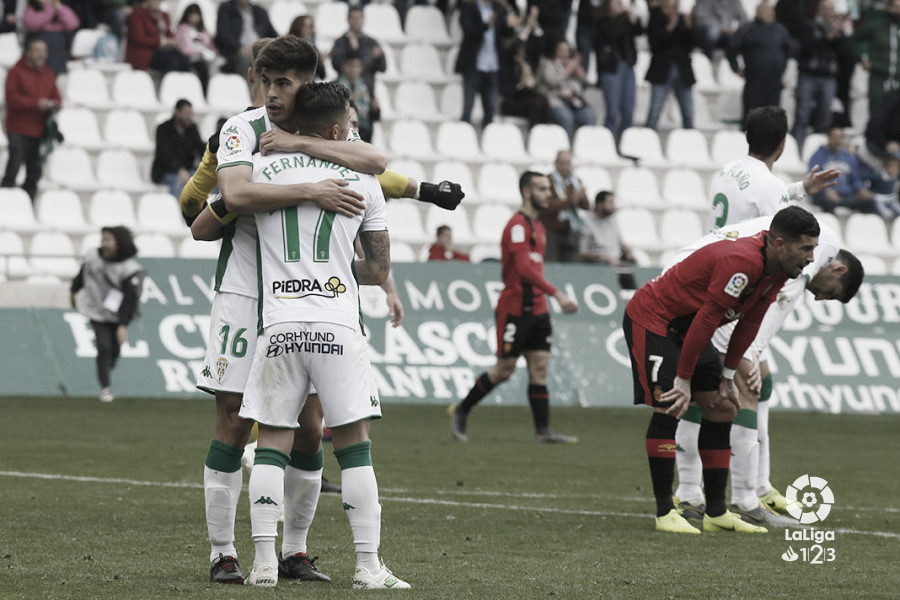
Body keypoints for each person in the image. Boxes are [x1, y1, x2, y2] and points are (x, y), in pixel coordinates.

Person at [191, 35, 385, 586]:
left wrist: (316, 163)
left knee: (309, 425)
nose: (272, 94)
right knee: (234, 418)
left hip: (308, 296)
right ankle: (223, 551)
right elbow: (236, 194)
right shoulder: (241, 128)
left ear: (308, 83)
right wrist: (313, 192)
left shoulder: (330, 128)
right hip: (245, 290)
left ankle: (294, 551)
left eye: (284, 83)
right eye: (265, 81)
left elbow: (373, 161)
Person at [238, 81, 410, 590]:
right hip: (337, 322)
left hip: (281, 322)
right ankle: (367, 566)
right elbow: (378, 270)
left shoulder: (261, 171)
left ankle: (265, 564)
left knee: (271, 442)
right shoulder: (364, 180)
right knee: (354, 446)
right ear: (337, 130)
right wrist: (336, 268)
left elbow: (213, 212)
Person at [624, 205, 820, 534]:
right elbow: (708, 318)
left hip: (687, 330)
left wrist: (729, 375)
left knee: (723, 405)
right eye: (806, 248)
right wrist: (684, 379)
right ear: (780, 244)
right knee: (670, 404)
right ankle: (664, 512)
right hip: (655, 320)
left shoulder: (779, 270)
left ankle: (716, 512)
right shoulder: (741, 262)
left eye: (813, 249)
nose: (812, 258)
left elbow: (751, 320)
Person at [671, 215, 863, 529]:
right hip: (708, 285)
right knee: (744, 387)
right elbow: (777, 301)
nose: (820, 297)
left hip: (703, 274)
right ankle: (746, 501)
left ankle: (697, 493)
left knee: (742, 382)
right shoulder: (817, 252)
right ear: (838, 269)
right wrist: (746, 356)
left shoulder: (804, 237)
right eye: (831, 293)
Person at [450, 171, 579, 444]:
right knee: (504, 370)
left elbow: (534, 267)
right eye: (543, 189)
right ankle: (463, 409)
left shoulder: (540, 227)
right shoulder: (517, 226)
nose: (548, 194)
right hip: (515, 309)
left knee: (540, 367)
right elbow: (522, 269)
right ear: (527, 192)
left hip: (539, 310)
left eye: (548, 189)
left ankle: (543, 430)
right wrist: (557, 293)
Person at [708, 105, 839, 231]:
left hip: (711, 249)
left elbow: (755, 193)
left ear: (747, 136)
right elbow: (778, 244)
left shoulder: (727, 169)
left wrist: (801, 188)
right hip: (737, 254)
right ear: (783, 143)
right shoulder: (771, 186)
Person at [70, 226, 144, 403]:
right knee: (103, 346)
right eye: (103, 239)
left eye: (108, 240)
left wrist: (123, 325)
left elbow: (130, 299)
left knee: (114, 348)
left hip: (117, 314)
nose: (104, 244)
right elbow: (82, 275)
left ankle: (112, 360)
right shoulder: (92, 256)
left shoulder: (129, 268)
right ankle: (105, 388)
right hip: (96, 309)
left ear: (120, 243)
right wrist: (73, 290)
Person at [1, 38, 60, 201]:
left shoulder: (49, 73)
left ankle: (26, 203)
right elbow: (12, 99)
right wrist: (37, 104)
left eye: (43, 51)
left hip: (39, 129)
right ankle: (4, 202)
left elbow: (57, 98)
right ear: (28, 52)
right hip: (18, 128)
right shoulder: (16, 72)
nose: (40, 54)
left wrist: (53, 105)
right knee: (13, 167)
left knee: (34, 172)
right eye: (37, 50)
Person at [728, 0, 797, 128]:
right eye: (767, 11)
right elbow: (732, 48)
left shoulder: (780, 30)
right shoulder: (747, 29)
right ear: (758, 13)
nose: (771, 14)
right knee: (752, 118)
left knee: (772, 120)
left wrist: (787, 76)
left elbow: (791, 52)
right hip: (754, 82)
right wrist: (736, 68)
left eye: (772, 11)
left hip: (774, 83)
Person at [791, 0, 846, 147]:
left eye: (831, 9)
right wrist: (827, 37)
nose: (828, 12)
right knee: (802, 115)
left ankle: (817, 150)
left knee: (824, 117)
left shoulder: (837, 30)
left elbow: (844, 54)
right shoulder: (809, 26)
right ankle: (797, 149)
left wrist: (840, 36)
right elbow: (806, 48)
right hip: (808, 75)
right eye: (825, 8)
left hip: (828, 77)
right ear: (819, 10)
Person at [455, 0, 515, 128]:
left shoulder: (499, 8)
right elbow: (468, 31)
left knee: (490, 109)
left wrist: (510, 26)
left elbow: (505, 34)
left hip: (493, 64)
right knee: (468, 108)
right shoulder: (468, 7)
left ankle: (488, 138)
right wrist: (486, 25)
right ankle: (464, 135)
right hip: (474, 64)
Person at [644, 0, 695, 131]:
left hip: (683, 70)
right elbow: (655, 43)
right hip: (661, 70)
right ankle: (647, 141)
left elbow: (690, 45)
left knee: (688, 114)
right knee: (654, 112)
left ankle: (691, 146)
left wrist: (689, 27)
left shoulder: (683, 19)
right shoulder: (655, 18)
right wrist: (671, 25)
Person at [595, 0, 641, 142]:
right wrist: (624, 18)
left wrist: (634, 19)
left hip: (627, 65)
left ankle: (625, 144)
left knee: (628, 112)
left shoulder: (625, 21)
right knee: (613, 113)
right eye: (616, 3)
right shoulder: (602, 22)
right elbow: (613, 34)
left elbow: (639, 31)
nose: (620, 6)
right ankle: (607, 143)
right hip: (612, 67)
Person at [807, 125, 875, 214]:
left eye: (839, 137)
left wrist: (861, 189)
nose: (837, 141)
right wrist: (826, 190)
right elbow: (814, 178)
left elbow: (855, 178)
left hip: (846, 195)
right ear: (828, 137)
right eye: (834, 137)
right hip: (825, 194)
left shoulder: (849, 157)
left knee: (869, 200)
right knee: (827, 201)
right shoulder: (818, 156)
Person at [536, 39, 596, 140]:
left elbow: (585, 82)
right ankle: (566, 149)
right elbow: (552, 81)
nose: (564, 52)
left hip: (574, 100)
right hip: (556, 101)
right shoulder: (548, 63)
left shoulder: (573, 65)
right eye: (561, 49)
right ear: (555, 50)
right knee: (567, 118)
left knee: (589, 115)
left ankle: (584, 146)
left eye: (567, 50)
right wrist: (569, 69)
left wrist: (579, 73)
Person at [578, 191, 637, 290]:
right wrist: (604, 257)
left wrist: (629, 253)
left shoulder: (613, 219)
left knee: (633, 268)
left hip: (617, 261)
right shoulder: (586, 222)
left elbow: (621, 243)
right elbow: (583, 252)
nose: (613, 206)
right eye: (610, 203)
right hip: (598, 263)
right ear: (599, 204)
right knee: (623, 271)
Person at [151, 99, 206, 200]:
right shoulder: (163, 129)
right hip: (166, 172)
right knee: (178, 181)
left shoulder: (192, 129)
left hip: (188, 170)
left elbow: (201, 148)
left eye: (190, 114)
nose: (189, 117)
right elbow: (165, 154)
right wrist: (179, 169)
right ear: (176, 112)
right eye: (186, 113)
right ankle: (180, 212)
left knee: (210, 179)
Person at [854, 0, 900, 119]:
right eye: (895, 7)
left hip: (897, 77)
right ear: (888, 8)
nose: (897, 11)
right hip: (879, 76)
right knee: (877, 113)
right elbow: (854, 40)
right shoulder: (876, 26)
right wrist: (863, 58)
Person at [542, 149, 590, 262]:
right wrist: (572, 199)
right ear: (556, 163)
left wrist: (580, 194)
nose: (565, 167)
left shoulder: (574, 181)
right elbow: (548, 206)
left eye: (568, 163)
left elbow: (586, 206)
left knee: (572, 267)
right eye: (562, 163)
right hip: (551, 231)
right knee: (551, 266)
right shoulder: (547, 181)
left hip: (571, 231)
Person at [330, 6, 386, 102]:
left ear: (363, 19)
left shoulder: (371, 42)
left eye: (359, 18)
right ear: (348, 20)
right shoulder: (340, 41)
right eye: (353, 18)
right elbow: (336, 65)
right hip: (345, 93)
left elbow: (383, 68)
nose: (356, 21)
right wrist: (355, 50)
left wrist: (379, 57)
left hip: (367, 91)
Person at [126, 0, 191, 74]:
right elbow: (139, 39)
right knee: (173, 61)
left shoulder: (164, 15)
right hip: (145, 53)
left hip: (162, 51)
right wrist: (162, 41)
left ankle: (184, 84)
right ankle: (168, 84)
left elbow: (168, 33)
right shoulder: (137, 13)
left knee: (185, 60)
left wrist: (175, 40)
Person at [214, 0, 277, 76]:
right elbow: (223, 34)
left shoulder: (260, 11)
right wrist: (238, 48)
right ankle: (251, 87)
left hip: (260, 50)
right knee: (249, 61)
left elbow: (272, 33)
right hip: (237, 52)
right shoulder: (226, 9)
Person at [23, 0, 80, 75]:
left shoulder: (62, 9)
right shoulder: (32, 9)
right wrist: (50, 10)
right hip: (39, 49)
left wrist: (60, 9)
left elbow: (73, 24)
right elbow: (32, 24)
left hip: (59, 52)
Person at [175, 3, 221, 94]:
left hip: (206, 57)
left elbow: (210, 46)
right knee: (202, 68)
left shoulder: (203, 30)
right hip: (191, 58)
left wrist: (214, 52)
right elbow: (184, 49)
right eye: (192, 15)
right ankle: (204, 93)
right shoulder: (182, 29)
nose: (194, 17)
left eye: (196, 15)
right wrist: (199, 53)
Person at [336, 53, 378, 143]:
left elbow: (375, 116)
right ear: (343, 66)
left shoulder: (367, 86)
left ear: (361, 68)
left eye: (356, 66)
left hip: (364, 131)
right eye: (350, 66)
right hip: (343, 133)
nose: (353, 70)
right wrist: (351, 98)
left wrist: (375, 108)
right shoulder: (335, 85)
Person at [288, 14, 326, 81]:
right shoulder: (289, 46)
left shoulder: (313, 46)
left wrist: (320, 61)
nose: (308, 30)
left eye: (310, 27)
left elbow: (321, 73)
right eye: (305, 27)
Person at [864, 150, 900, 220]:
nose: (894, 170)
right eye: (891, 167)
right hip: (879, 198)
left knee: (898, 209)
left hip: (890, 198)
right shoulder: (878, 177)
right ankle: (882, 226)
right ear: (885, 167)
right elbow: (863, 178)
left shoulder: (895, 177)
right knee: (883, 212)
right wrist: (866, 189)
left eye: (896, 168)